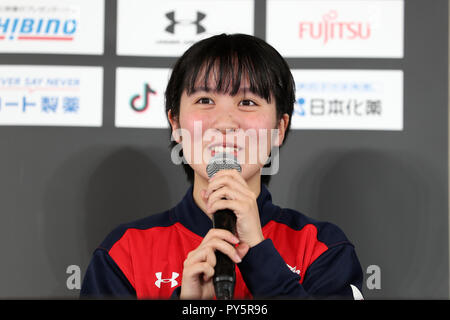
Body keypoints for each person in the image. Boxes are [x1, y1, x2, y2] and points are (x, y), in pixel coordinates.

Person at [80, 33, 364, 299]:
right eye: (205, 100)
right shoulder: (124, 252)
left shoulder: (321, 248)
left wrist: (258, 252)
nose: (226, 123)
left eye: (248, 102)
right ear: (176, 124)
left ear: (279, 127)